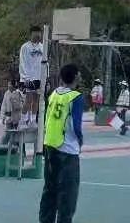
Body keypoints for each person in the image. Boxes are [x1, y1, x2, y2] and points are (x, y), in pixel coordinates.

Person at [38, 63, 84, 223]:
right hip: (68, 150)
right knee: (68, 195)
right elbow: (76, 125)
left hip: (50, 145)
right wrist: (80, 140)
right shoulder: (76, 97)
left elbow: (48, 118)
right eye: (79, 74)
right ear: (76, 76)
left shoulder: (54, 94)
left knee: (49, 190)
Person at [20, 25, 44, 129]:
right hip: (29, 77)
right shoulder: (25, 47)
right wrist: (25, 77)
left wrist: (45, 78)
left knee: (36, 99)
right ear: (31, 34)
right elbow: (22, 62)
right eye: (35, 34)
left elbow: (45, 63)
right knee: (28, 99)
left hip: (39, 77)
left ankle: (33, 121)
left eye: (39, 34)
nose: (38, 36)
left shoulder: (42, 47)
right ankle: (23, 121)